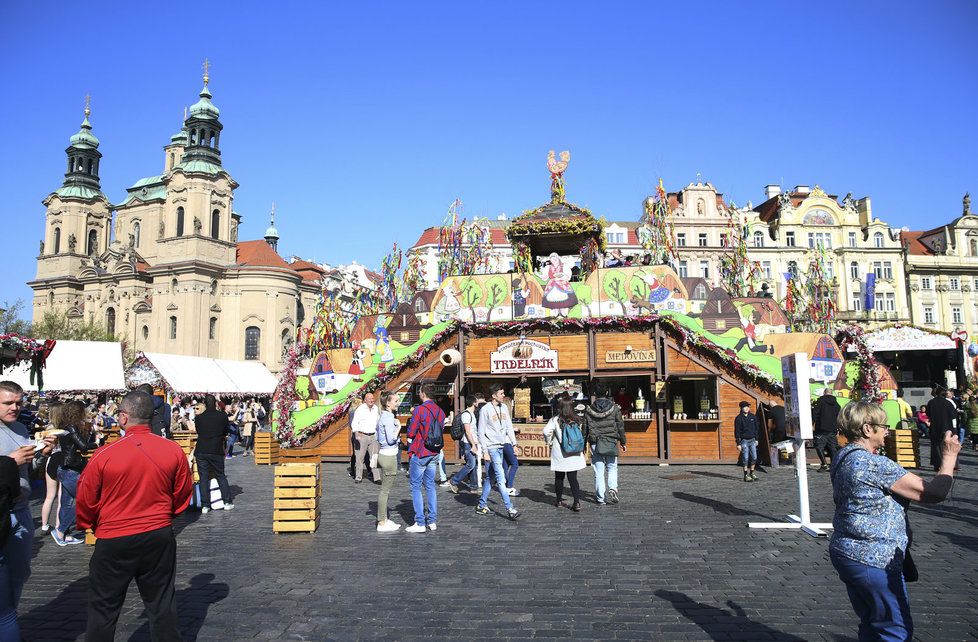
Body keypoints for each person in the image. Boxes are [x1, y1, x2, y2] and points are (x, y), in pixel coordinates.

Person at [829, 401, 961, 642]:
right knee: (894, 629)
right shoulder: (874, 464)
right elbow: (933, 493)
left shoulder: (842, 457)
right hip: (873, 557)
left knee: (871, 622)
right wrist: (949, 457)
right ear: (868, 429)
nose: (887, 431)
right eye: (883, 426)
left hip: (847, 551)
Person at [77, 390, 193, 641]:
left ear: (123, 417)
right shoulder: (172, 450)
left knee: (103, 609)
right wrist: (166, 515)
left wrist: (89, 524)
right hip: (157, 534)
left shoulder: (104, 454)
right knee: (162, 604)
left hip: (115, 537)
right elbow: (183, 492)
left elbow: (86, 498)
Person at [0, 382, 57, 639]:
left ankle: (7, 617)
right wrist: (11, 461)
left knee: (20, 571)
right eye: (8, 403)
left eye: (18, 402)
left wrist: (42, 453)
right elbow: (11, 465)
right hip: (2, 511)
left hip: (21, 510)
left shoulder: (21, 427)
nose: (15, 407)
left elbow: (28, 470)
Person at [51, 400, 95, 546]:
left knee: (67, 503)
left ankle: (64, 534)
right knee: (84, 501)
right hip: (71, 468)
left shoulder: (65, 426)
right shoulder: (72, 427)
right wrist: (95, 441)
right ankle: (61, 530)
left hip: (64, 468)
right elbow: (83, 446)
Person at [476, 384, 520, 520]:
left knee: (491, 478)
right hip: (492, 447)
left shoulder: (505, 408)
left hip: (501, 446)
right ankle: (510, 508)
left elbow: (509, 426)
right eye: (501, 393)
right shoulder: (485, 410)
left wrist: (514, 444)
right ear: (494, 395)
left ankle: (481, 504)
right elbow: (481, 431)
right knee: (501, 479)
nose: (503, 395)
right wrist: (484, 451)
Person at [405, 384, 445, 532]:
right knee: (430, 485)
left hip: (421, 451)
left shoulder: (419, 410)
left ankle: (420, 522)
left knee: (415, 486)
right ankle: (432, 521)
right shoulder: (440, 411)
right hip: (434, 452)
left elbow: (411, 432)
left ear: (423, 394)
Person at [583, 380, 625, 504]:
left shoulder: (589, 409)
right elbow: (620, 426)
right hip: (611, 441)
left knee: (598, 471)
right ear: (607, 392)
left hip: (595, 442)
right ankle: (613, 488)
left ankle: (601, 498)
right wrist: (623, 442)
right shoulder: (615, 408)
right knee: (612, 467)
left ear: (595, 394)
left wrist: (583, 444)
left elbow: (585, 428)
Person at [543, 398, 586, 512]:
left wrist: (549, 442)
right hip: (574, 452)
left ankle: (558, 500)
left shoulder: (555, 419)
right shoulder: (577, 419)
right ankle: (576, 502)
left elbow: (546, 431)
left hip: (560, 451)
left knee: (559, 477)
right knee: (573, 478)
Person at [194, 394, 234, 513]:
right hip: (216, 449)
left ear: (205, 404)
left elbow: (199, 431)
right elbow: (226, 430)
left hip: (201, 449)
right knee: (220, 475)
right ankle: (227, 502)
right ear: (215, 403)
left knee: (203, 478)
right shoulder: (222, 416)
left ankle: (205, 505)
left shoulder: (199, 418)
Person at [375, 391, 402, 532]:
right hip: (389, 455)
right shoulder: (389, 417)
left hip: (384, 453)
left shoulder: (383, 416)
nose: (398, 403)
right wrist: (398, 428)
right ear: (388, 403)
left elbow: (378, 436)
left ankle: (383, 519)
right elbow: (391, 439)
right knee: (385, 491)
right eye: (396, 401)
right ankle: (382, 522)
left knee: (385, 490)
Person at [39, 402, 63, 533]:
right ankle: (59, 525)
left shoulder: (48, 428)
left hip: (51, 460)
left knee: (49, 496)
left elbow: (44, 449)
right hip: (62, 460)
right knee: (61, 496)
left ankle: (44, 525)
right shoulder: (65, 428)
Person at [447, 395, 479, 494]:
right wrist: (473, 445)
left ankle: (474, 486)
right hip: (468, 443)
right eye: (477, 401)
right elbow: (468, 431)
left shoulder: (471, 414)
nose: (478, 402)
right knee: (470, 464)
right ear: (474, 403)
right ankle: (454, 481)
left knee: (474, 465)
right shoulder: (466, 415)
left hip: (472, 443)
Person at [351, 392, 381, 483]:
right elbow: (355, 422)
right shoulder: (360, 409)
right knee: (360, 457)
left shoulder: (376, 408)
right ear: (365, 400)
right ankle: (358, 477)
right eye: (369, 399)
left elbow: (378, 422)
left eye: (372, 398)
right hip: (362, 435)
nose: (371, 400)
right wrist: (356, 433)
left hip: (373, 436)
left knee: (374, 457)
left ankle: (377, 478)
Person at [925, 386, 956, 471]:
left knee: (936, 446)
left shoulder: (931, 402)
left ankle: (937, 464)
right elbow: (953, 415)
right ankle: (947, 464)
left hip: (934, 427)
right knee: (946, 446)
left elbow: (928, 414)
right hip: (947, 427)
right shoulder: (948, 403)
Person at [812, 388, 842, 472]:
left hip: (821, 428)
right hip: (832, 429)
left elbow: (815, 413)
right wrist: (838, 429)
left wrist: (813, 423)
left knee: (819, 446)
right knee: (832, 447)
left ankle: (824, 465)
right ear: (831, 394)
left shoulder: (820, 401)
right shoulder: (836, 404)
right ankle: (833, 465)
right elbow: (839, 417)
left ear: (824, 393)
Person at [734, 401, 760, 482]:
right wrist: (738, 443)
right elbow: (737, 432)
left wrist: (756, 439)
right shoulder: (738, 418)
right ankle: (745, 475)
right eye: (745, 407)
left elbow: (756, 429)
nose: (747, 408)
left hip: (752, 440)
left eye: (748, 407)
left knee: (754, 457)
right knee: (745, 458)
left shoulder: (753, 417)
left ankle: (752, 473)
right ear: (741, 408)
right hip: (744, 440)